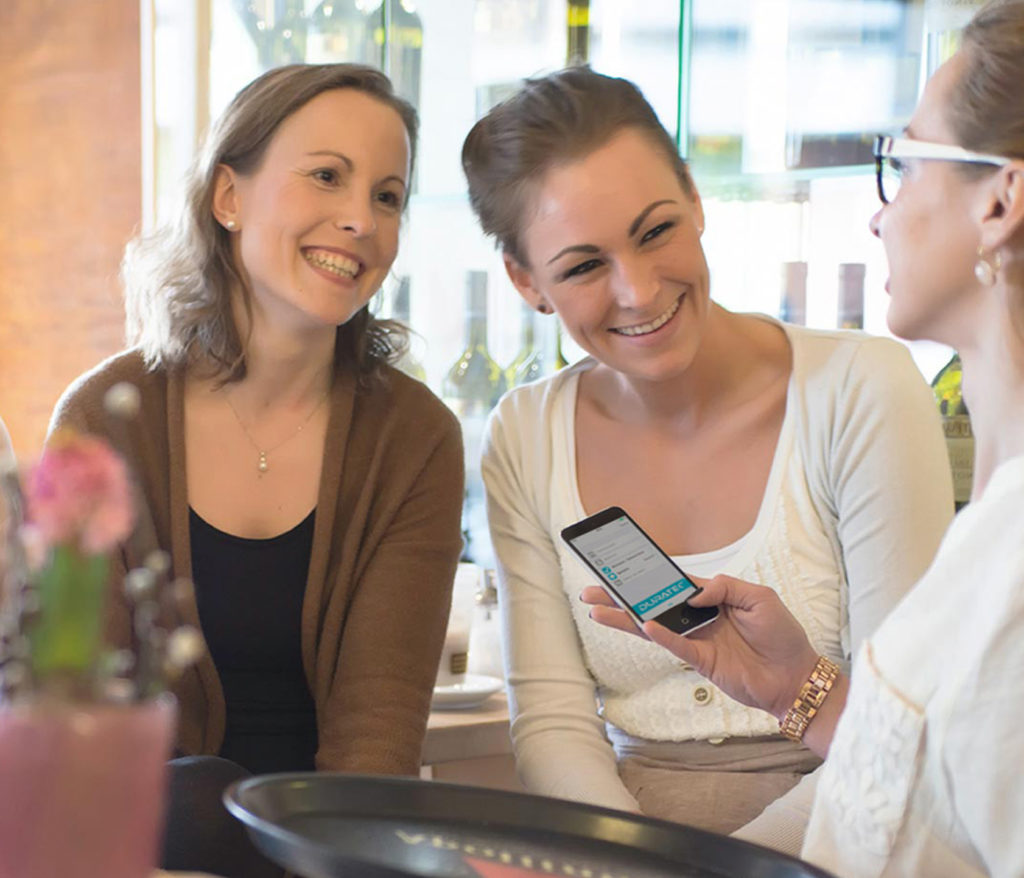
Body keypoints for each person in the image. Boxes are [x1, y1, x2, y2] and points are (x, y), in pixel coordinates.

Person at [584, 2, 1024, 874]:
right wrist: (795, 687)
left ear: (1001, 201)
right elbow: (935, 800)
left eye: (902, 163)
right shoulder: (995, 519)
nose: (879, 217)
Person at [460, 66, 955, 834]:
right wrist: (631, 863)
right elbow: (554, 720)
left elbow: (906, 720)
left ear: (694, 199)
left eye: (655, 231)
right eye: (584, 266)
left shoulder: (861, 389)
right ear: (527, 282)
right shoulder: (525, 431)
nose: (638, 290)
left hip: (848, 836)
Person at [49, 64, 464, 876]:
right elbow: (77, 709)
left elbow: (377, 734)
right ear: (228, 197)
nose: (361, 219)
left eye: (387, 196)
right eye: (327, 176)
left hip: (326, 844)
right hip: (136, 841)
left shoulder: (416, 438)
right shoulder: (103, 417)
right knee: (197, 794)